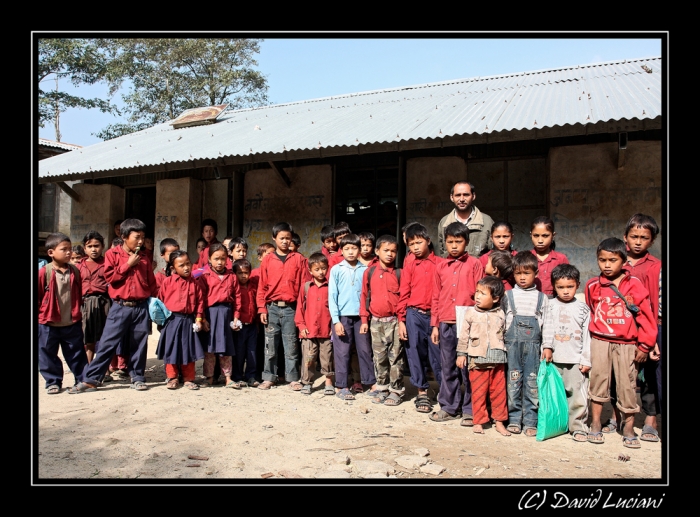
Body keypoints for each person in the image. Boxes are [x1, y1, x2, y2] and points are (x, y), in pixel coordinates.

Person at [69, 219, 158, 393]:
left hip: (140, 307)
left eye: (143, 237)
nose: (141, 241)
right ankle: (92, 379)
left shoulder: (145, 256)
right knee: (107, 343)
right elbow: (110, 278)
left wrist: (155, 301)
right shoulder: (112, 254)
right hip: (119, 306)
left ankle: (137, 377)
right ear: (124, 237)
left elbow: (151, 282)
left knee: (139, 344)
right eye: (137, 237)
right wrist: (128, 265)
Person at [585, 237, 656, 449]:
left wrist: (644, 345)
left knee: (627, 383)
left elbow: (646, 316)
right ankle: (595, 423)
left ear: (623, 261)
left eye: (612, 260)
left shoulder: (634, 285)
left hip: (627, 344)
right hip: (600, 341)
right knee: (598, 381)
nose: (607, 265)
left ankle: (628, 427)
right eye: (602, 260)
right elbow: (592, 310)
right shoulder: (592, 285)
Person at [429, 222, 484, 424]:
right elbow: (436, 296)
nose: (454, 246)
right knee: (447, 366)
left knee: (468, 367)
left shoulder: (475, 264)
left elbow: (480, 294)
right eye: (450, 242)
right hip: (446, 322)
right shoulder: (441, 266)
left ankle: (470, 409)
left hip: (467, 323)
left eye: (458, 242)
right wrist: (435, 325)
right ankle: (449, 406)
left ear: (466, 242)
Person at [622, 213, 662, 443]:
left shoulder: (656, 266)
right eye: (634, 236)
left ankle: (650, 419)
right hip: (622, 329)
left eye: (644, 238)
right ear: (625, 236)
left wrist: (653, 336)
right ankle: (621, 417)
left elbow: (656, 303)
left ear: (652, 241)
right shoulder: (617, 261)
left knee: (649, 376)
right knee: (622, 375)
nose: (638, 242)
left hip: (648, 329)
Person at [541, 264, 592, 442]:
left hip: (575, 360)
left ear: (577, 284)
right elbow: (545, 327)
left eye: (569, 287)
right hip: (553, 359)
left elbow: (587, 336)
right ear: (554, 286)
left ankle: (578, 426)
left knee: (577, 395)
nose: (565, 291)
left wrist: (585, 359)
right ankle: (558, 424)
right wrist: (546, 346)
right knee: (554, 394)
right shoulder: (549, 305)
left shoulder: (583, 308)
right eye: (560, 287)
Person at [255, 222, 309, 391]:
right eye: (281, 238)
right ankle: (269, 377)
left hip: (290, 309)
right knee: (270, 346)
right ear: (274, 238)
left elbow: (303, 288)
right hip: (272, 308)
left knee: (291, 345)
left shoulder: (299, 259)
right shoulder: (268, 260)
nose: (285, 241)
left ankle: (292, 378)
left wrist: (301, 311)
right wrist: (262, 308)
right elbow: (262, 286)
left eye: (288, 238)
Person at [500, 251, 548, 436]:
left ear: (535, 273)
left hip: (534, 347)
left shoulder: (541, 298)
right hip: (512, 347)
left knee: (532, 383)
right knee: (513, 383)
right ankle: (513, 418)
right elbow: (502, 321)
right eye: (518, 273)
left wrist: (547, 347)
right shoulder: (508, 295)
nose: (522, 277)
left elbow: (548, 325)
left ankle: (530, 420)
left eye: (526, 273)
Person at [397, 223, 443, 413]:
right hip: (413, 314)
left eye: (419, 242)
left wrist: (439, 319)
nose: (415, 247)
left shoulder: (440, 264)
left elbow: (444, 292)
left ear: (428, 241)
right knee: (414, 352)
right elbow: (404, 293)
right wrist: (401, 320)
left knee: (438, 354)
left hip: (435, 314)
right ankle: (422, 392)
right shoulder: (409, 266)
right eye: (411, 243)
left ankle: (444, 392)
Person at [456, 275, 510, 436]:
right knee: (479, 392)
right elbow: (463, 335)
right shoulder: (471, 313)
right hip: (477, 360)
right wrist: (461, 354)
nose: (477, 296)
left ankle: (499, 421)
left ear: (495, 299)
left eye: (483, 293)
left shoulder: (501, 313)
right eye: (477, 292)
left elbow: (505, 333)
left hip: (498, 359)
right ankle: (479, 421)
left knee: (499, 393)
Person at [329, 233, 377, 400]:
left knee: (364, 350)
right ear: (341, 250)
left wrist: (365, 319)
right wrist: (336, 321)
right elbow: (332, 296)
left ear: (359, 250)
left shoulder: (366, 270)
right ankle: (341, 386)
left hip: (360, 318)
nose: (350, 252)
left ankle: (370, 383)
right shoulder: (336, 269)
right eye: (347, 248)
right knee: (342, 352)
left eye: (354, 248)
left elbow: (368, 296)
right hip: (342, 317)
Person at [38, 233, 88, 394]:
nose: (68, 253)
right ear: (51, 252)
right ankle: (53, 381)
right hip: (48, 322)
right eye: (64, 249)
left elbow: (78, 292)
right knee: (47, 353)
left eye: (69, 249)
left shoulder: (75, 271)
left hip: (71, 321)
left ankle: (81, 379)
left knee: (76, 352)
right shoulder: (44, 272)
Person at [360, 235, 405, 406]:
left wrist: (402, 321)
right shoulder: (370, 272)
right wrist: (364, 320)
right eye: (386, 250)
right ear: (377, 251)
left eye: (393, 251)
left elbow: (403, 299)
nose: (389, 254)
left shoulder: (400, 273)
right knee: (379, 357)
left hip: (394, 321)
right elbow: (364, 296)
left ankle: (396, 390)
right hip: (376, 322)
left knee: (396, 357)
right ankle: (382, 387)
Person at [156, 250, 206, 390]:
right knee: (171, 350)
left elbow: (200, 303)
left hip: (188, 320)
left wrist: (198, 319)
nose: (186, 268)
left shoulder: (195, 283)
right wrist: (161, 322)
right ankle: (172, 377)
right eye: (181, 265)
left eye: (188, 264)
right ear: (173, 268)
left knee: (188, 350)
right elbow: (160, 301)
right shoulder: (168, 282)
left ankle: (189, 378)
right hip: (171, 320)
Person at [198, 243, 241, 388]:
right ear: (209, 259)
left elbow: (238, 297)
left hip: (226, 314)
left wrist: (236, 316)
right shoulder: (204, 275)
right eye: (216, 258)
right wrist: (202, 318)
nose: (220, 262)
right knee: (210, 349)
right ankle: (209, 377)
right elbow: (201, 299)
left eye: (223, 258)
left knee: (226, 348)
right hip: (211, 314)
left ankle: (228, 377)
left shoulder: (232, 276)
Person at [294, 253, 335, 395]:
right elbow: (299, 308)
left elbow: (335, 308)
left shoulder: (331, 287)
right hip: (309, 330)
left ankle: (329, 382)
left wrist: (333, 326)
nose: (321, 272)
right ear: (310, 271)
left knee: (327, 357)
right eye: (317, 269)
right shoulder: (306, 287)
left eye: (323, 268)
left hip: (326, 329)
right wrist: (301, 326)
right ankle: (307, 382)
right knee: (309, 358)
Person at [77, 231, 110, 366]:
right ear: (84, 248)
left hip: (104, 302)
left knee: (105, 337)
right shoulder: (79, 266)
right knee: (88, 338)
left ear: (102, 246)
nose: (93, 249)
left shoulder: (107, 264)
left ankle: (104, 369)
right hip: (85, 303)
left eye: (96, 246)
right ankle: (88, 368)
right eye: (89, 246)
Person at [437, 181, 494, 258]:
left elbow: (493, 252)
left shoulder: (486, 221)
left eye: (466, 195)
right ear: (451, 197)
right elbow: (442, 253)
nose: (462, 199)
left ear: (473, 196)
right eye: (458, 195)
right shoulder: (444, 222)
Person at [232, 258, 260, 387]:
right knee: (239, 352)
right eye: (240, 273)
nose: (243, 276)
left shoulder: (253, 286)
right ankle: (237, 376)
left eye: (246, 272)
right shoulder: (234, 288)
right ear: (235, 274)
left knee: (252, 352)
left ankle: (251, 376)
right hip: (239, 326)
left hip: (252, 325)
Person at [530, 216, 569, 298]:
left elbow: (567, 283)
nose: (540, 240)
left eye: (545, 236)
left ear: (553, 235)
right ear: (531, 235)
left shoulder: (561, 259)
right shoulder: (526, 258)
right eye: (536, 235)